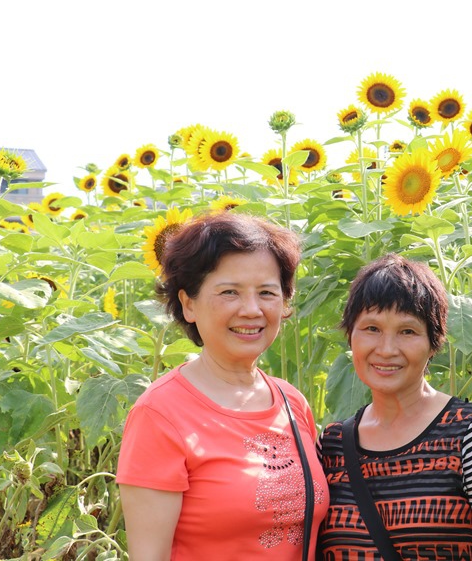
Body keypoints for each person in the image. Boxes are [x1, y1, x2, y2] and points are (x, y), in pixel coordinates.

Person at [117, 213, 329, 560]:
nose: (251, 309)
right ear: (188, 304)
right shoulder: (160, 414)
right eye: (229, 292)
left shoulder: (292, 403)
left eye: (267, 293)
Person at [317, 253, 472, 561]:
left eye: (408, 331)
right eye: (371, 328)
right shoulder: (332, 445)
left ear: (433, 343)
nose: (386, 350)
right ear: (351, 337)